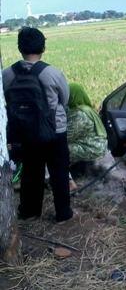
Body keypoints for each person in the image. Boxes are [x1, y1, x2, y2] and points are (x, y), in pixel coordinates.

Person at [2, 27, 73, 223]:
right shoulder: (51, 72)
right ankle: (63, 213)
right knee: (59, 171)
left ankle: (29, 212)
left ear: (20, 48)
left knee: (31, 172)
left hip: (25, 132)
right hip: (54, 130)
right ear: (43, 47)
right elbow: (65, 98)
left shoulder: (7, 74)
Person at [67, 83, 108, 190]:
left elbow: (67, 136)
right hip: (96, 146)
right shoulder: (87, 109)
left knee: (58, 150)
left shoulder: (80, 114)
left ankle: (68, 182)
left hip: (92, 148)